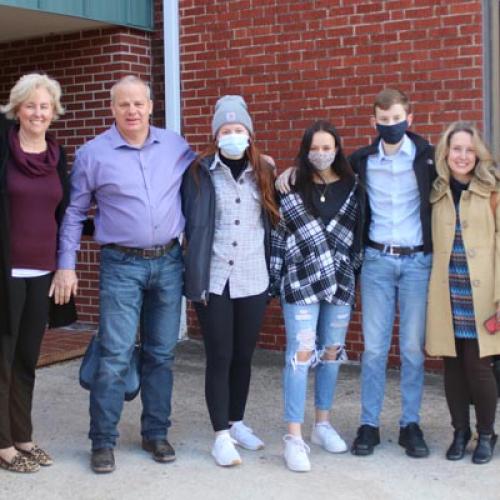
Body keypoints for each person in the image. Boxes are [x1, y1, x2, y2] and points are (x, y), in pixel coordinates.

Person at [276, 88, 436, 457]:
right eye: (384, 120)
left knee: (412, 349)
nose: (391, 125)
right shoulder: (362, 162)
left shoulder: (428, 158)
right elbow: (319, 170)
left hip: (416, 262)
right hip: (377, 261)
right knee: (374, 349)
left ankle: (410, 424)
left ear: (409, 118)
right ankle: (369, 425)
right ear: (374, 122)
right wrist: (289, 169)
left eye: (397, 119)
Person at [52, 75, 196, 473]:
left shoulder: (175, 146)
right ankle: (103, 441)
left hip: (169, 262)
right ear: (112, 109)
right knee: (114, 355)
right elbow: (75, 213)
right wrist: (66, 264)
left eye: (138, 103)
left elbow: (210, 174)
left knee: (161, 353)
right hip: (121, 265)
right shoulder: (92, 154)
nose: (132, 111)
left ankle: (156, 432)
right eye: (123, 104)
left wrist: (263, 163)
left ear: (151, 106)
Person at [181, 95, 279, 467]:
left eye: (239, 130)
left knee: (242, 356)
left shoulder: (264, 172)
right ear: (216, 135)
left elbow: (272, 220)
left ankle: (237, 422)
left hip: (253, 278)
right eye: (226, 130)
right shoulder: (199, 173)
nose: (233, 135)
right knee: (219, 356)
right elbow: (191, 223)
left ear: (250, 134)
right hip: (215, 278)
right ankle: (220, 434)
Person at [270, 120, 362, 472]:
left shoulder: (354, 187)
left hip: (339, 281)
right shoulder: (291, 185)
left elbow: (356, 236)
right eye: (315, 148)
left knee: (331, 352)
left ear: (337, 150)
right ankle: (294, 436)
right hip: (301, 280)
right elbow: (280, 233)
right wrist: (275, 279)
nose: (321, 154)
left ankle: (322, 424)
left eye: (327, 148)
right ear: (305, 151)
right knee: (300, 353)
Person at [0, 73, 73, 473]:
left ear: (53, 112)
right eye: (30, 105)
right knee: (3, 359)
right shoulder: (3, 149)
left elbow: (64, 214)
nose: (38, 113)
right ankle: (3, 444)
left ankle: (23, 435)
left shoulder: (57, 155)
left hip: (42, 271)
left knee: (27, 357)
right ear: (17, 109)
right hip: (5, 271)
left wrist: (65, 265)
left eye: (45, 106)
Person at [425, 122, 500, 464]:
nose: (463, 156)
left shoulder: (493, 191)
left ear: (478, 155)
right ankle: (460, 432)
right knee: (452, 365)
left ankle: (486, 433)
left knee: (479, 366)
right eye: (457, 149)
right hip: (447, 291)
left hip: (483, 293)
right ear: (446, 152)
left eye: (470, 150)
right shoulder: (436, 192)